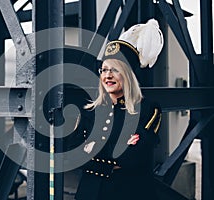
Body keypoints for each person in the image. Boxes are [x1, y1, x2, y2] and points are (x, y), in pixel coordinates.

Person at [67, 19, 164, 200]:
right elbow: (72, 151)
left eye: (115, 70)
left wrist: (91, 152)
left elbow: (132, 159)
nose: (108, 75)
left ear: (128, 75)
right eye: (104, 70)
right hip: (89, 192)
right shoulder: (90, 110)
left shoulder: (148, 109)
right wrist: (110, 161)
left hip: (128, 193)